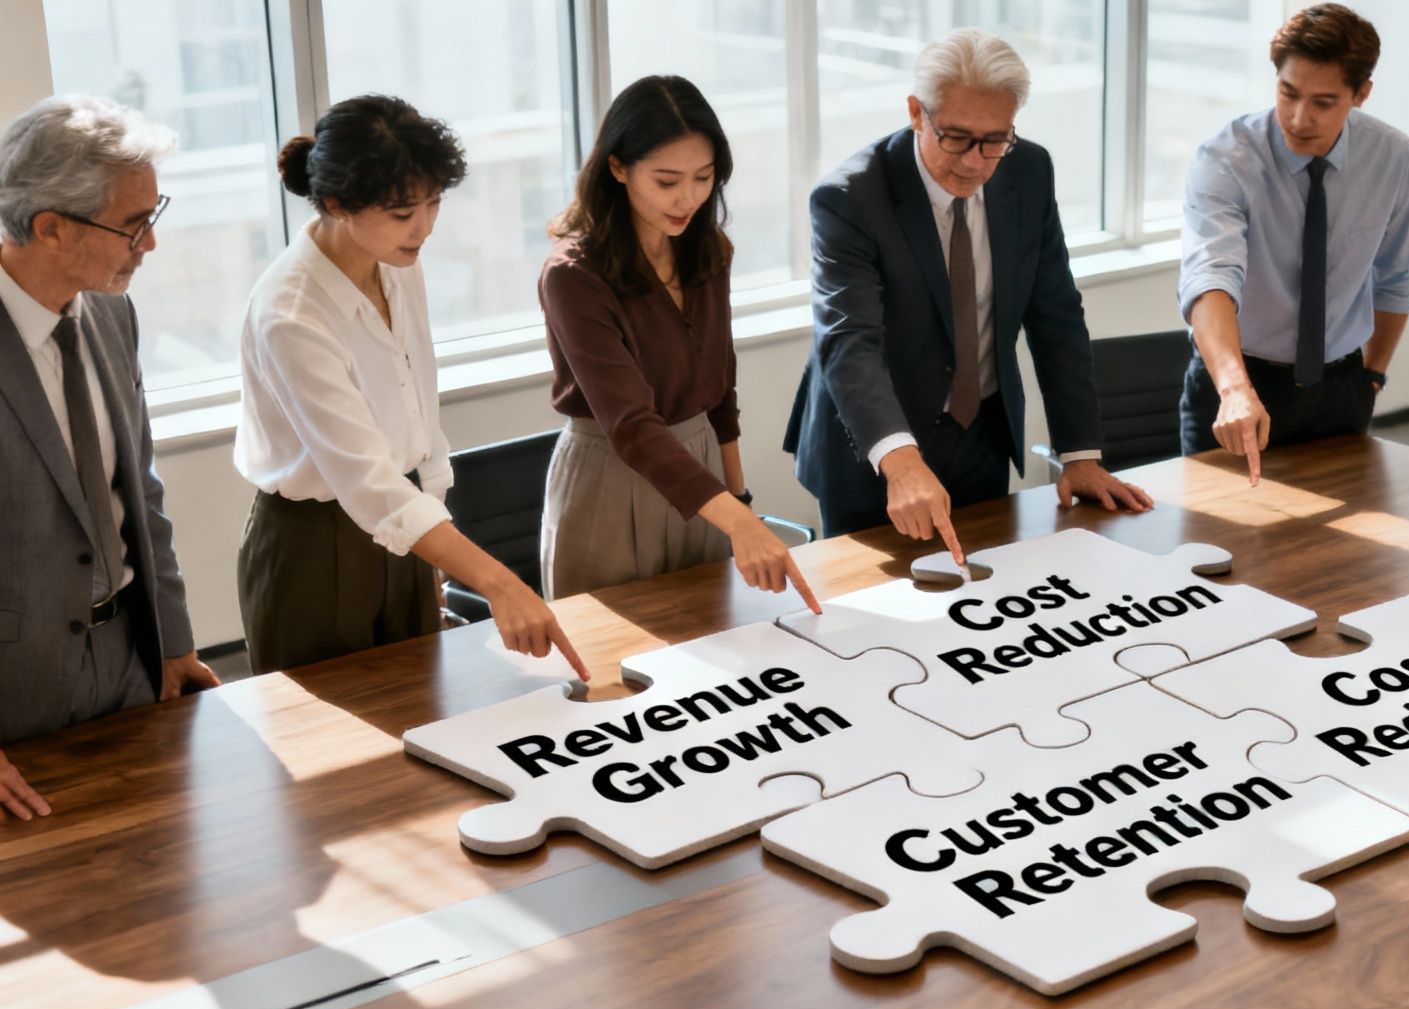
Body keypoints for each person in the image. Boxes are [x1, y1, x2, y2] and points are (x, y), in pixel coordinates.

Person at [236, 96, 588, 679]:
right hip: (314, 547)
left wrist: (434, 537)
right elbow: (365, 481)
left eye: (434, 202)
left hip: (405, 525)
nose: (424, 226)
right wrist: (498, 581)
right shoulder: (291, 313)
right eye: (403, 212)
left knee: (424, 712)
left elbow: (421, 418)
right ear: (336, 202)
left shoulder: (399, 261)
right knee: (335, 753)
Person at [785, 28, 1152, 563]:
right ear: (917, 113)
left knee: (983, 595)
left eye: (995, 140)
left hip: (980, 433)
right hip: (874, 450)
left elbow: (1055, 314)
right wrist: (901, 461)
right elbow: (848, 341)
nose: (976, 162)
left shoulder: (1028, 170)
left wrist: (1080, 453)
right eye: (956, 137)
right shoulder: (851, 198)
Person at [0, 95, 218, 821]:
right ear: (50, 227)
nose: (149, 245)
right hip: (15, 700)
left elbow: (140, 491)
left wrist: (175, 641)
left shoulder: (112, 312)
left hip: (131, 661)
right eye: (132, 224)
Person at [539, 76, 817, 612]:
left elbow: (720, 393)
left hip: (704, 476)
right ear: (617, 168)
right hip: (611, 477)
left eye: (703, 178)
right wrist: (738, 520)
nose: (687, 198)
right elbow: (633, 427)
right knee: (621, 669)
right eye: (666, 181)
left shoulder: (707, 251)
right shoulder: (573, 275)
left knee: (716, 649)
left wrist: (740, 502)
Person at [1178, 2, 1409, 486]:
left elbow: (1398, 279)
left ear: (1361, 94)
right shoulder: (1224, 160)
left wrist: (1370, 380)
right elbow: (1210, 278)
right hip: (1240, 384)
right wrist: (1234, 388)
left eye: (1323, 102)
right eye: (1287, 93)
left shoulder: (1391, 156)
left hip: (1341, 387)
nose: (1298, 117)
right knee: (1224, 548)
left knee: (1346, 553)